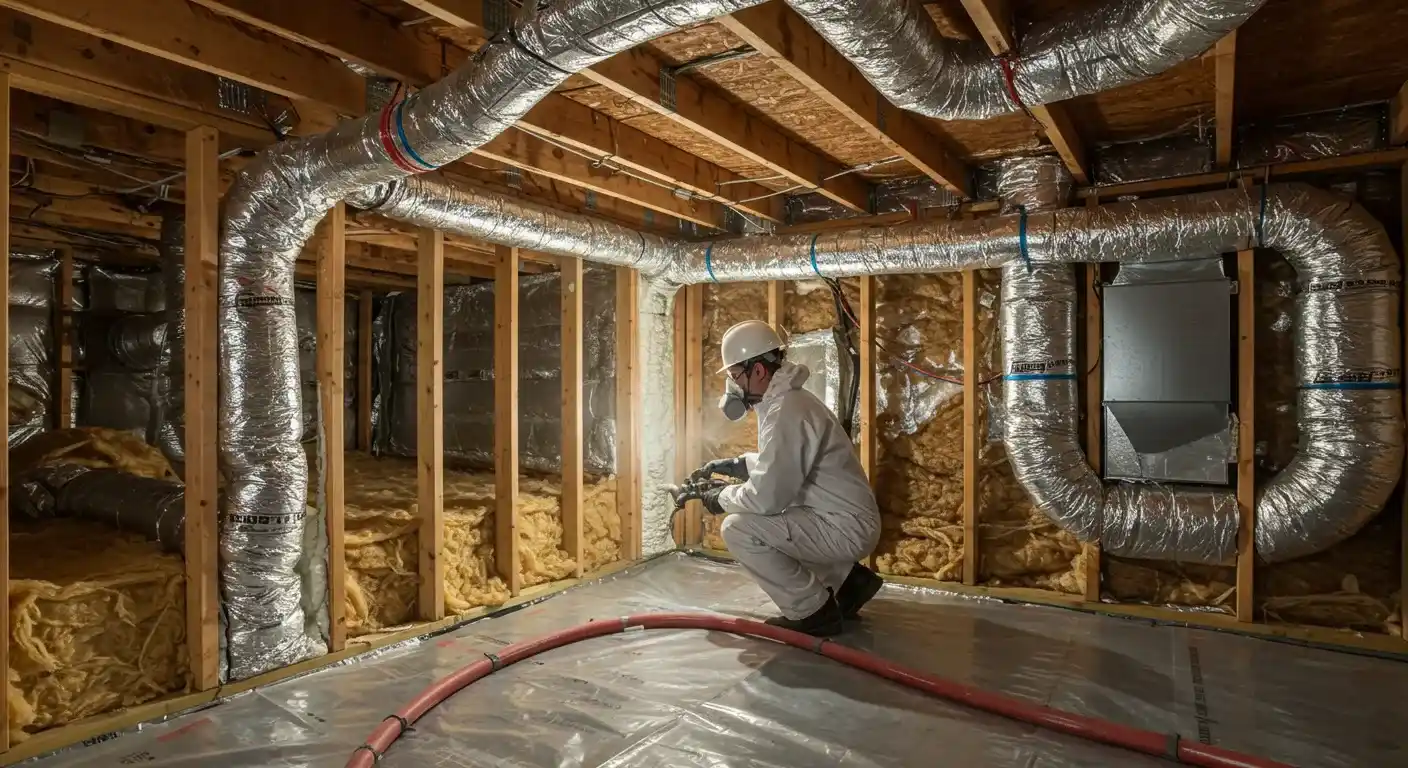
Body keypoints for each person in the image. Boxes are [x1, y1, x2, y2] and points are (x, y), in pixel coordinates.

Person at [689, 319, 884, 637]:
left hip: (846, 529)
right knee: (781, 518)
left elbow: (767, 497)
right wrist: (740, 464)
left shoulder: (786, 411)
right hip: (841, 519)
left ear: (759, 371)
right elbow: (786, 466)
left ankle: (812, 610)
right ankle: (849, 583)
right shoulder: (787, 402)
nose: (733, 386)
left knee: (739, 528)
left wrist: (719, 497)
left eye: (735, 376)